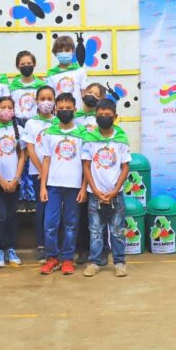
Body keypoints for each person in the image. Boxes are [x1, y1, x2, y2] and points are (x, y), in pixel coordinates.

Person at [39, 93, 87, 276]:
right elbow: (46, 160)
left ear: (75, 110)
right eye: (61, 109)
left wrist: (83, 187)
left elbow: (86, 163)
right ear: (55, 110)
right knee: (50, 224)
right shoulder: (50, 133)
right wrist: (43, 187)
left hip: (74, 187)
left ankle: (67, 258)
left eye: (68, 108)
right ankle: (52, 258)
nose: (65, 111)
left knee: (71, 224)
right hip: (53, 186)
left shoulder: (82, 134)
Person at [82, 99, 131, 278]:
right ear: (95, 117)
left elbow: (125, 167)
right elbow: (86, 166)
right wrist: (94, 190)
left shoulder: (121, 138)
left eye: (107, 115)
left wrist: (115, 190)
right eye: (100, 115)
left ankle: (119, 263)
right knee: (95, 231)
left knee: (117, 231)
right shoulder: (89, 138)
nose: (104, 118)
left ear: (115, 116)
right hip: (94, 195)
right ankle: (94, 262)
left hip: (115, 194)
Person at [0, 96, 26, 268]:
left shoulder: (19, 130)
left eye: (10, 107)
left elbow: (22, 156)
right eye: (3, 107)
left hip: (14, 182)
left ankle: (11, 248)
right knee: (0, 216)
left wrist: (16, 179)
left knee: (11, 216)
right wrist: (0, 179)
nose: (6, 110)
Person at [22, 85, 56, 262]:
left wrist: (51, 171)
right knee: (41, 208)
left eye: (50, 99)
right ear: (36, 101)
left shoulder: (58, 122)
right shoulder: (31, 123)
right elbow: (30, 149)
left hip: (56, 174)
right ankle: (41, 246)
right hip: (38, 173)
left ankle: (54, 245)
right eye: (42, 99)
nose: (46, 102)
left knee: (55, 209)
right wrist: (43, 171)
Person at [74, 82, 106, 264]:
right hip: (76, 169)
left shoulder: (100, 119)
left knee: (99, 213)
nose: (91, 96)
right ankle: (83, 249)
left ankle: (102, 249)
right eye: (89, 92)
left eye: (96, 95)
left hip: (96, 170)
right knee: (80, 213)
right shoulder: (74, 116)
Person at [46, 35, 88, 108]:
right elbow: (49, 96)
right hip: (59, 113)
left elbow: (84, 93)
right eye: (60, 51)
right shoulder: (51, 74)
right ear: (55, 53)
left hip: (77, 112)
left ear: (73, 51)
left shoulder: (80, 71)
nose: (64, 53)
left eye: (67, 50)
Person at [10, 51, 45, 126]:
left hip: (36, 122)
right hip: (17, 123)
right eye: (22, 64)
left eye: (29, 63)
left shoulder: (42, 86)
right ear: (17, 66)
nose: (26, 66)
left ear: (34, 64)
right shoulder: (12, 87)